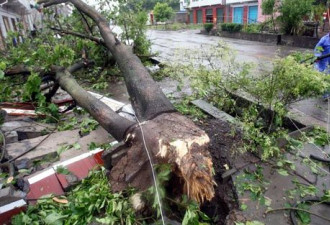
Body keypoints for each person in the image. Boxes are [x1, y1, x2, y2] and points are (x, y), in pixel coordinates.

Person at [314, 32, 330, 100]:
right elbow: (318, 49)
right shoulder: (324, 39)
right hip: (324, 62)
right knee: (325, 79)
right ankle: (325, 95)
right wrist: (318, 56)